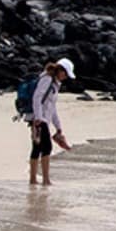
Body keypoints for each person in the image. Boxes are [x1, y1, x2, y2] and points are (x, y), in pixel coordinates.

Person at [28, 58, 74, 187]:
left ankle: (33, 180)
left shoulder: (54, 84)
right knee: (47, 147)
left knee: (37, 148)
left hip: (42, 119)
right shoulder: (47, 79)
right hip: (39, 119)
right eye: (65, 74)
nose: (65, 77)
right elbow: (36, 97)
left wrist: (58, 127)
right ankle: (46, 180)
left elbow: (52, 108)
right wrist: (38, 118)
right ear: (60, 70)